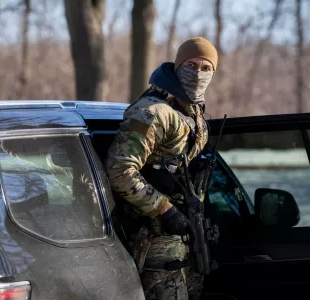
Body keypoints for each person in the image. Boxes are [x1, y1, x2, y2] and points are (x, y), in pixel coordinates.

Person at [105, 37, 218, 299]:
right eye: (191, 65)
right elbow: (120, 172)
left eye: (206, 68)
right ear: (177, 66)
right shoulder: (153, 112)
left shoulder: (194, 112)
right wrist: (165, 210)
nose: (197, 73)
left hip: (186, 239)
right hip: (155, 240)